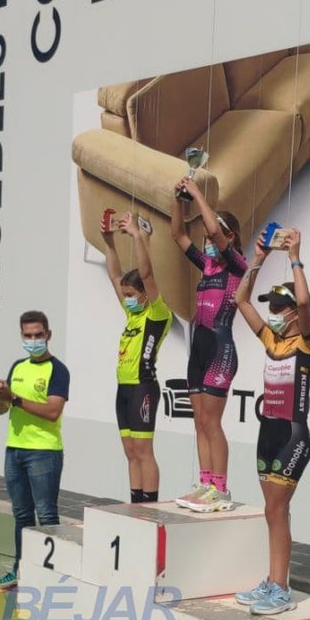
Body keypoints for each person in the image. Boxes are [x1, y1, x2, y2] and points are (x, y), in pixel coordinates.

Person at [231, 227, 310, 616]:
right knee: (272, 511)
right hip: (268, 432)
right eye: (274, 307)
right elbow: (240, 299)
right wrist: (260, 258)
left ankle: (280, 588)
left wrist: (294, 256)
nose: (275, 313)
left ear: (295, 314)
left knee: (276, 510)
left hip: (293, 436)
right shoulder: (271, 339)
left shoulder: (305, 341)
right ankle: (274, 579)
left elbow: (305, 300)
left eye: (280, 308)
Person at [168, 177, 245, 512]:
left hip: (220, 350)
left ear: (231, 238)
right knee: (199, 421)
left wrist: (197, 193)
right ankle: (205, 483)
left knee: (212, 422)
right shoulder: (208, 264)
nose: (209, 242)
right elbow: (178, 235)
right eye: (207, 240)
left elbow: (213, 229)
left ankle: (221, 489)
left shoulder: (237, 264)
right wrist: (178, 199)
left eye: (214, 238)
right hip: (198, 350)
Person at [0, 311, 70, 593]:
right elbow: (2, 410)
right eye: (28, 335)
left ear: (48, 335)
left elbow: (53, 410)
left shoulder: (58, 370)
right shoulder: (18, 367)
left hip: (44, 452)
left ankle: (52, 578)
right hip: (15, 450)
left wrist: (15, 398)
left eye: (38, 335)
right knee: (22, 515)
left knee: (46, 515)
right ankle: (20, 571)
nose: (33, 340)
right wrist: (1, 397)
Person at [99, 210, 170, 504]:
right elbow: (115, 275)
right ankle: (136, 504)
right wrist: (109, 242)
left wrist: (138, 236)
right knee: (130, 452)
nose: (127, 299)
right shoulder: (132, 314)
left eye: (131, 294)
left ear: (144, 295)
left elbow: (147, 275)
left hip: (143, 387)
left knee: (143, 451)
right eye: (125, 295)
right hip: (124, 389)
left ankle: (149, 507)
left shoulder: (157, 314)